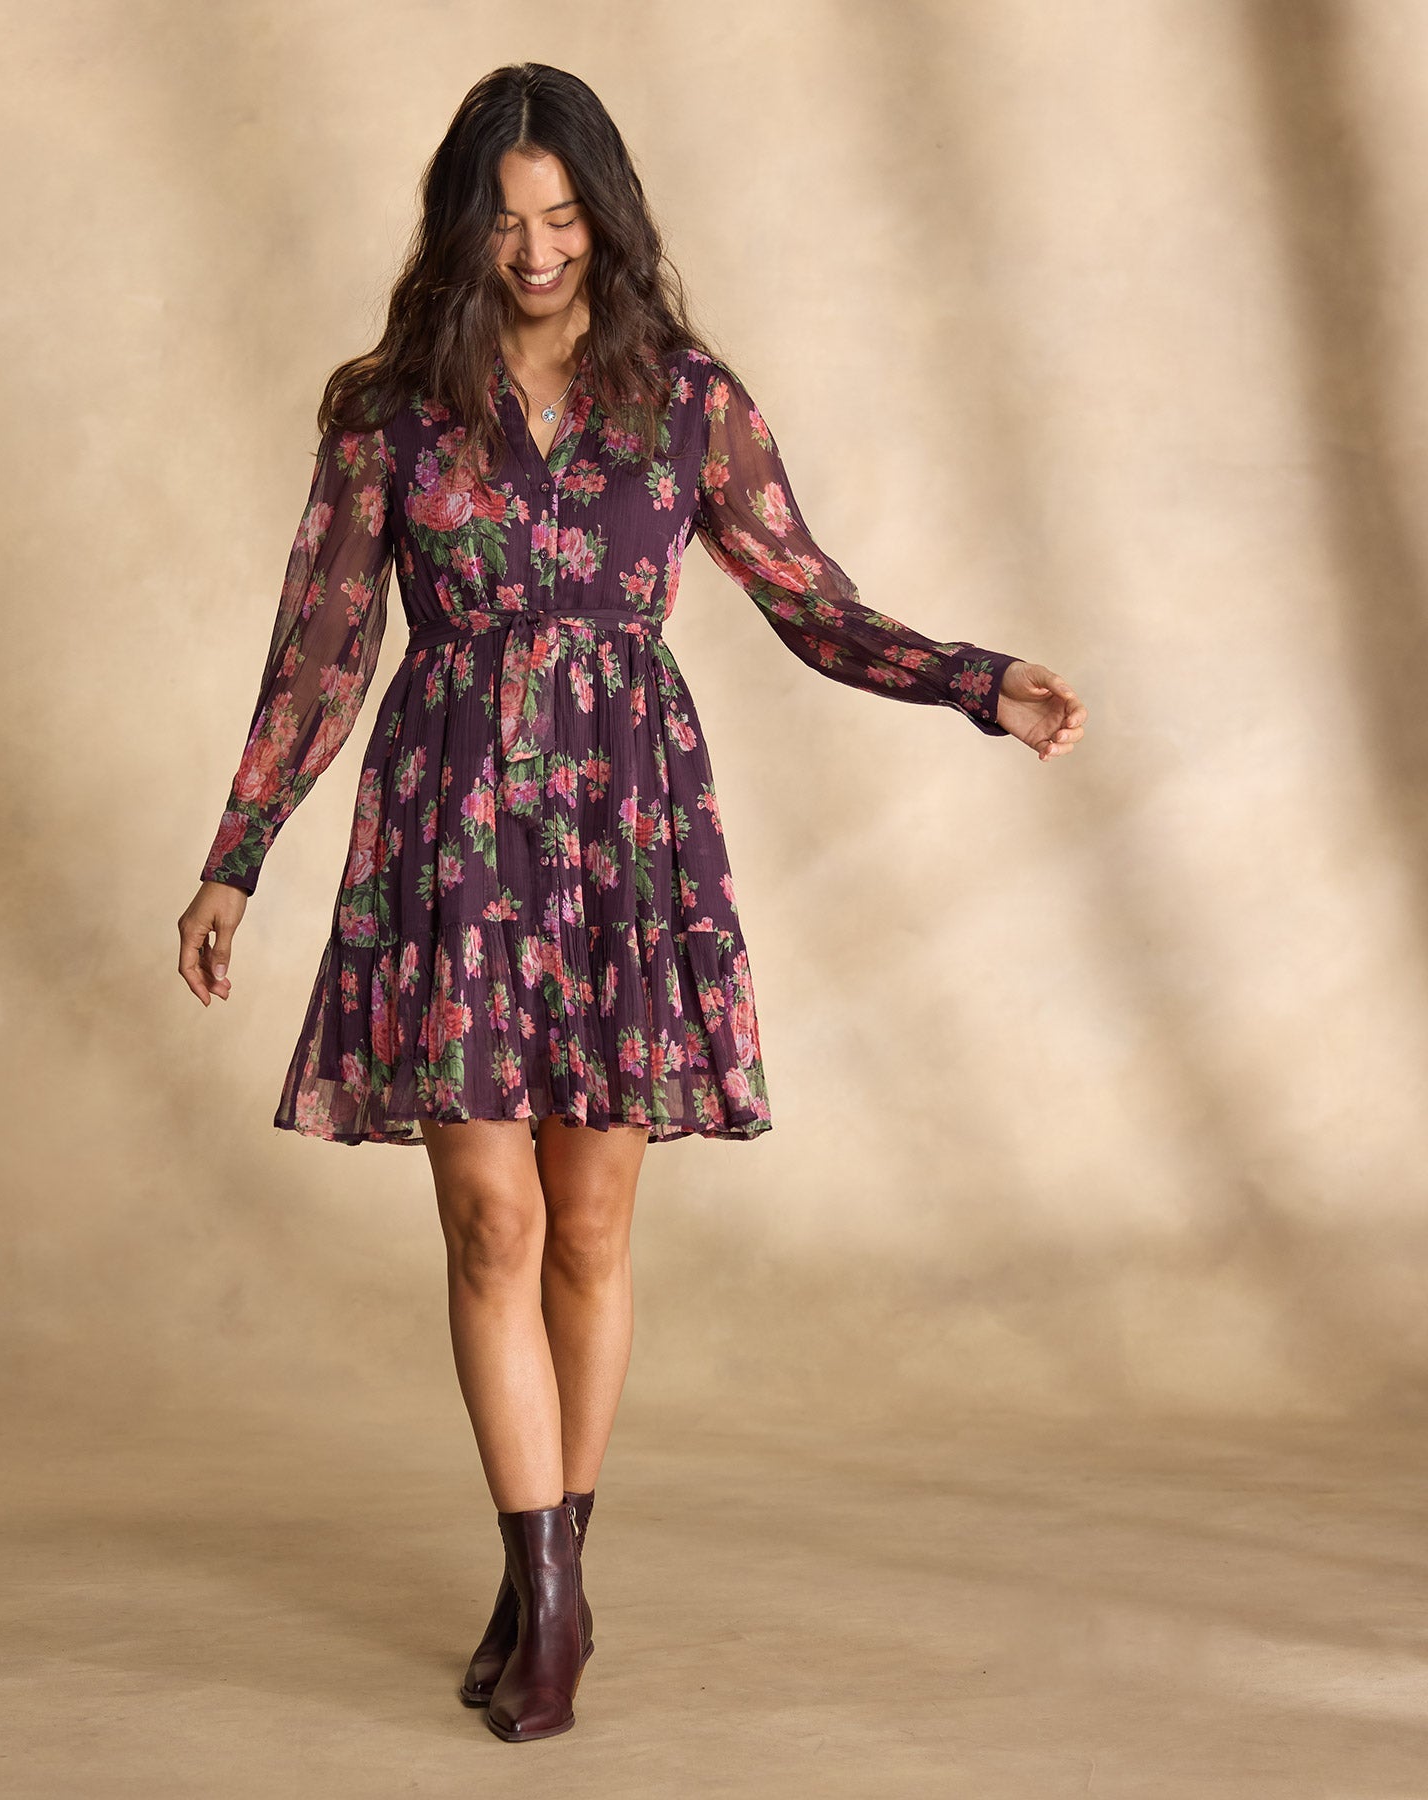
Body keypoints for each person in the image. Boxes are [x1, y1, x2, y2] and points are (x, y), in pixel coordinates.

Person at [176, 63, 1086, 1744]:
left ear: (606, 215)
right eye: (505, 223)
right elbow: (321, 648)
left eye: (564, 219)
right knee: (492, 1220)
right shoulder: (389, 412)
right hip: (449, 835)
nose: (536, 253)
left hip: (622, 832)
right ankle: (555, 1612)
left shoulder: (686, 403)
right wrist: (237, 855)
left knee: (589, 1229)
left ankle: (548, 1575)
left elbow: (812, 600)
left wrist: (979, 682)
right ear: (460, 227)